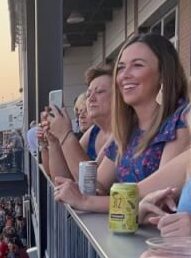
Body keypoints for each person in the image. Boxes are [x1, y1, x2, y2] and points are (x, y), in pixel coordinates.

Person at [50, 33, 191, 211]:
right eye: (121, 67)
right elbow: (99, 183)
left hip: (155, 237)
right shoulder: (128, 128)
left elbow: (160, 196)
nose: (125, 75)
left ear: (163, 74)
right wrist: (75, 189)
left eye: (137, 65)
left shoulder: (180, 121)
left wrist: (86, 200)